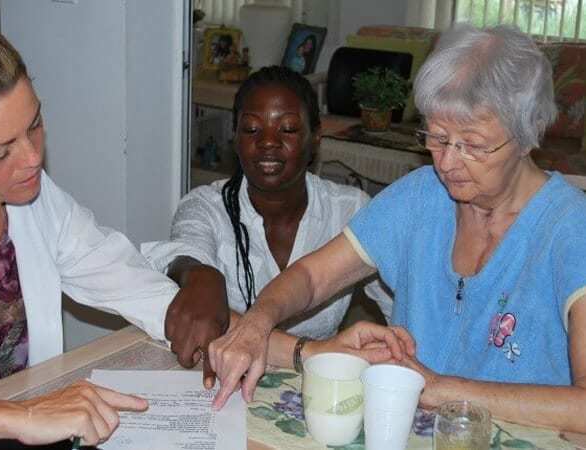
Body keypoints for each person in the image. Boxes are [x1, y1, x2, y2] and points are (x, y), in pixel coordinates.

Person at [0, 17, 412, 447]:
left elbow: (149, 296)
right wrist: (19, 417)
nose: (33, 158)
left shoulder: (33, 203)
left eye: (34, 124)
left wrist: (309, 357)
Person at [207, 24, 586, 433]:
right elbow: (313, 277)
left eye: (473, 145)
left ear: (527, 135)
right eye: (437, 138)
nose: (447, 163)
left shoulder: (570, 228)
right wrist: (257, 323)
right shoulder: (422, 196)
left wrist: (441, 388)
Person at [144, 66, 393, 386]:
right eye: (251, 129)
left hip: (321, 385)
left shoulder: (351, 210)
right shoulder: (206, 206)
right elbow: (186, 252)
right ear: (235, 137)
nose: (268, 143)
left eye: (287, 129)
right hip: (224, 382)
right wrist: (198, 274)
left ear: (315, 137)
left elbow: (400, 305)